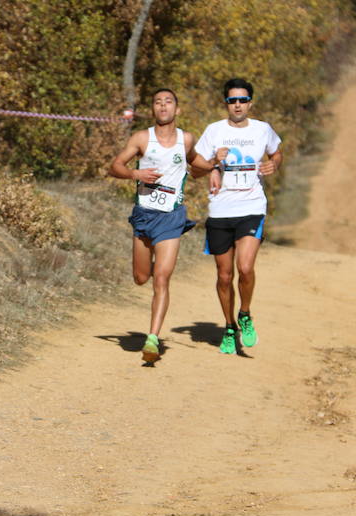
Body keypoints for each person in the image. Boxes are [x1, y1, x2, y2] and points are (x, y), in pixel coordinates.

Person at [108, 88, 207, 362]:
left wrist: (213, 168)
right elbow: (114, 166)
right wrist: (134, 173)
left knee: (162, 277)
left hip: (171, 218)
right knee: (142, 278)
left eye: (169, 102)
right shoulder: (142, 138)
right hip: (144, 215)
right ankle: (154, 266)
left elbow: (195, 162)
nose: (163, 106)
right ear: (153, 109)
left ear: (177, 110)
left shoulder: (186, 139)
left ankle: (152, 339)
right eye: (158, 102)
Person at [193, 78, 283, 354]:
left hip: (252, 207)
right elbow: (195, 170)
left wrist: (273, 164)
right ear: (226, 104)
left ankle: (245, 313)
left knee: (244, 268)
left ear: (250, 103)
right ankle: (230, 326)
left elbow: (276, 153)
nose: (238, 105)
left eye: (243, 100)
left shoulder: (262, 129)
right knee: (223, 275)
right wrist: (212, 164)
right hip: (221, 210)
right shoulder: (213, 131)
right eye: (232, 100)